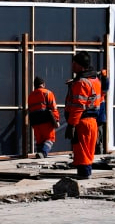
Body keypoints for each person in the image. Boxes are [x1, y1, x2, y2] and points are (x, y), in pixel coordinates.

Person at [66, 51, 104, 179]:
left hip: (82, 122)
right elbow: (99, 99)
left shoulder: (81, 83)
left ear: (80, 66)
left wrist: (71, 124)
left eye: (74, 63)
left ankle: (83, 177)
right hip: (92, 121)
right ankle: (85, 174)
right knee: (87, 152)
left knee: (82, 152)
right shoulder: (95, 80)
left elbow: (78, 106)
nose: (72, 65)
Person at [27, 76, 60, 158]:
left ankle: (39, 153)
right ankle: (43, 153)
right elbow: (53, 108)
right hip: (46, 119)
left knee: (39, 139)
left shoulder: (31, 95)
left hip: (35, 120)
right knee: (50, 138)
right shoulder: (47, 93)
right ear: (43, 84)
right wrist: (56, 120)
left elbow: (30, 109)